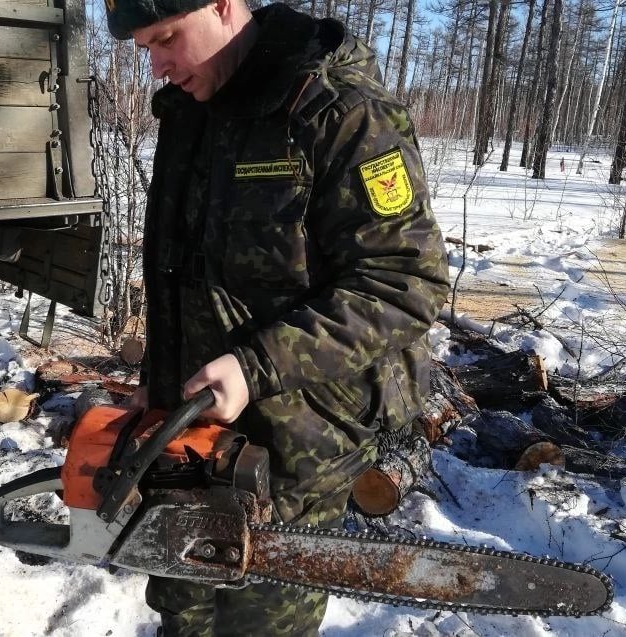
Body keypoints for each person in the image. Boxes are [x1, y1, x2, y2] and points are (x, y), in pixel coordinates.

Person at [105, 1, 450, 634]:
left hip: (295, 453)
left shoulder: (339, 111)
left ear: (224, 5)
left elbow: (407, 284)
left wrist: (255, 365)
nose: (158, 65)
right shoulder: (191, 111)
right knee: (185, 617)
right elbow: (187, 273)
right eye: (143, 49)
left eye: (167, 39)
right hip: (189, 442)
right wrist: (158, 391)